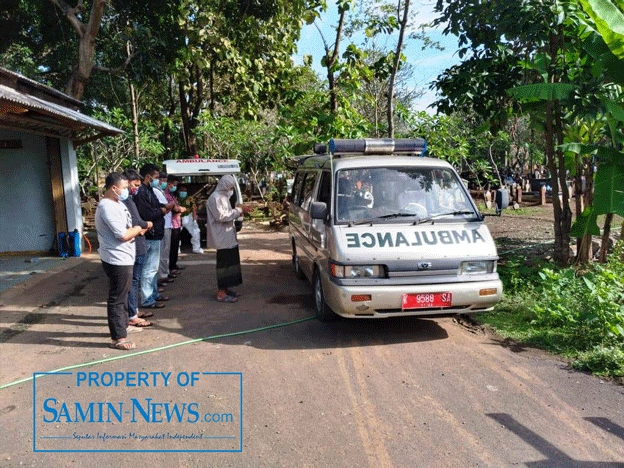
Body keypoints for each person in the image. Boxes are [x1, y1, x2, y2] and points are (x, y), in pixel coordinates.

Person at [95, 172, 148, 350]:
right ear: (114, 188)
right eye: (124, 188)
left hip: (125, 257)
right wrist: (138, 228)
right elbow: (123, 234)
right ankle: (118, 337)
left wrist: (135, 229)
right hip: (116, 258)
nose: (127, 191)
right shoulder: (106, 207)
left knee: (124, 294)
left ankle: (124, 325)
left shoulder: (118, 203)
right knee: (117, 298)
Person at [134, 164, 174, 309]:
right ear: (147, 177)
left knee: (153, 268)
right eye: (156, 177)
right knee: (148, 269)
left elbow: (157, 207)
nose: (158, 180)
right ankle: (147, 299)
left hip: (156, 233)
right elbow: (147, 215)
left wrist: (164, 208)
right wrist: (163, 210)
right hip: (150, 235)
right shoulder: (141, 193)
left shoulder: (150, 190)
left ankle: (153, 294)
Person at [206, 175, 246, 303]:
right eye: (230, 187)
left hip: (228, 236)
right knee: (224, 265)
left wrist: (238, 211)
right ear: (224, 186)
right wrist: (238, 211)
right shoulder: (215, 198)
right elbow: (222, 216)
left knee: (231, 264)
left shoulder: (224, 197)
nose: (231, 190)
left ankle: (227, 288)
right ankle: (221, 293)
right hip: (222, 237)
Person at [122, 169, 154, 326]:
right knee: (132, 281)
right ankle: (131, 314)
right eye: (134, 185)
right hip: (134, 245)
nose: (136, 188)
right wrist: (146, 224)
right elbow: (136, 221)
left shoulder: (130, 199)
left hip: (138, 243)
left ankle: (133, 309)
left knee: (135, 280)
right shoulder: (124, 201)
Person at [155, 171, 176, 286]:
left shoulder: (162, 192)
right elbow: (164, 207)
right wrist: (171, 206)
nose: (163, 183)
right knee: (162, 252)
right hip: (163, 225)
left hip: (167, 224)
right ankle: (162, 276)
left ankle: (164, 273)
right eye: (162, 180)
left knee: (165, 252)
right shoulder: (156, 191)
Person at [165, 175, 187, 273]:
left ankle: (173, 265)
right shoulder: (165, 193)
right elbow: (173, 208)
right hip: (171, 224)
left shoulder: (171, 194)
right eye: (174, 184)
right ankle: (170, 267)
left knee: (175, 246)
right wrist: (180, 209)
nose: (175, 187)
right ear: (169, 183)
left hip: (176, 223)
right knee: (171, 247)